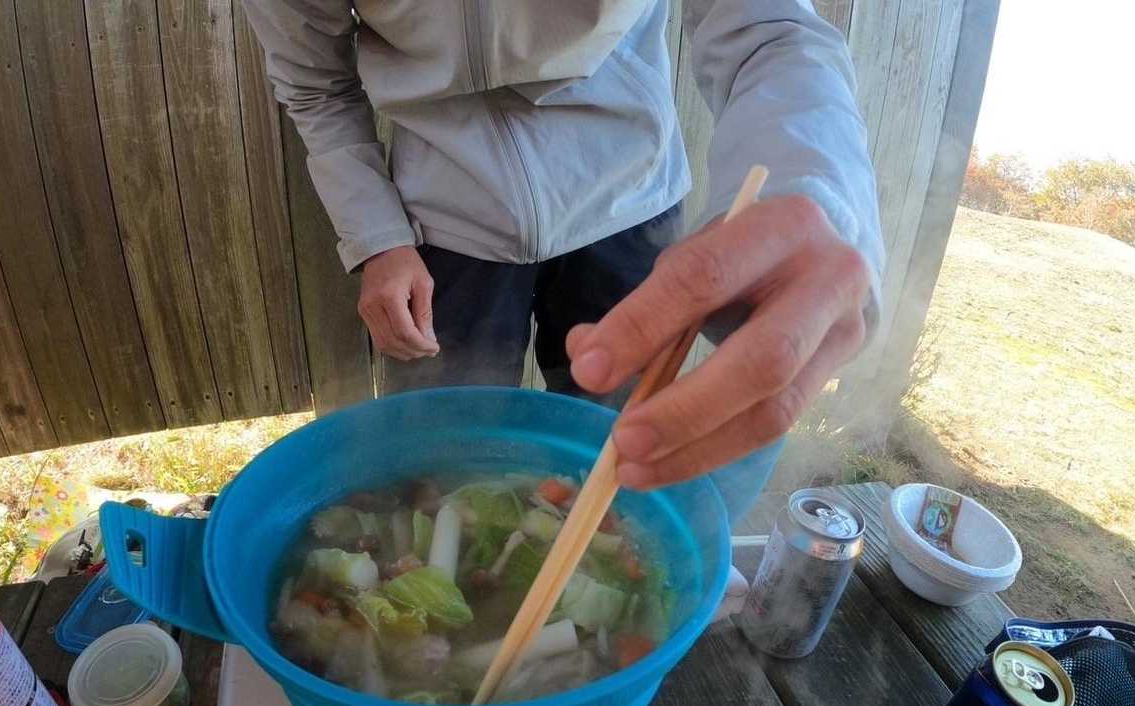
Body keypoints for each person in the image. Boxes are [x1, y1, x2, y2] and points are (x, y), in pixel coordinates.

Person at [244, 0, 882, 524]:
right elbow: (317, 87)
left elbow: (769, 27)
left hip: (629, 202)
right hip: (439, 224)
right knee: (436, 468)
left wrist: (812, 195)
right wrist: (379, 238)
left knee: (614, 456)